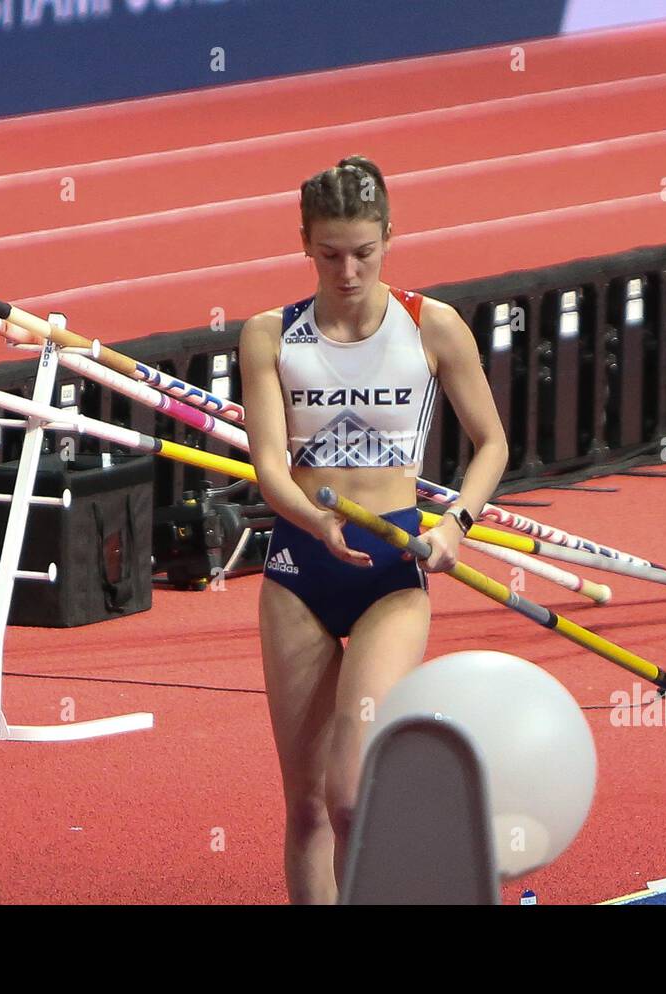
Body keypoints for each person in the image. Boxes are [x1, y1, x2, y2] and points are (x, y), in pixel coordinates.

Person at [239, 156, 509, 904]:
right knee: (306, 809)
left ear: (389, 236)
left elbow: (492, 444)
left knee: (351, 793)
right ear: (305, 243)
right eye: (330, 255)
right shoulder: (270, 336)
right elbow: (269, 468)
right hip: (300, 567)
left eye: (363, 252)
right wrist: (316, 521)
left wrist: (456, 522)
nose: (349, 271)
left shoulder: (433, 327)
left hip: (393, 574)